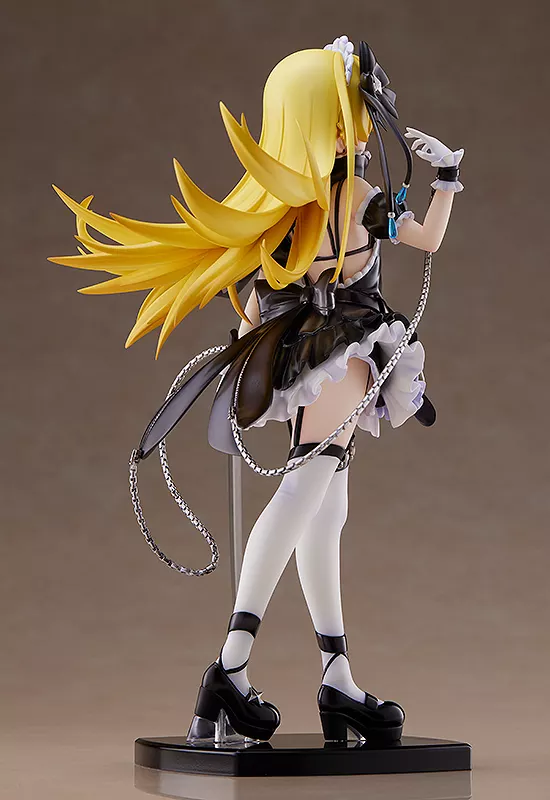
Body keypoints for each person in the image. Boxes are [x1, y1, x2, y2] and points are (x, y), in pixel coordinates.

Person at [49, 36, 464, 745]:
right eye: (348, 118)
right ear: (326, 126)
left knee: (328, 508)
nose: (361, 130)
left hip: (309, 359)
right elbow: (426, 239)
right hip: (342, 356)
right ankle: (230, 668)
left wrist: (258, 353)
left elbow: (251, 304)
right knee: (306, 493)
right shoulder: (352, 196)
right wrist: (448, 175)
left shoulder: (279, 209)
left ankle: (336, 678)